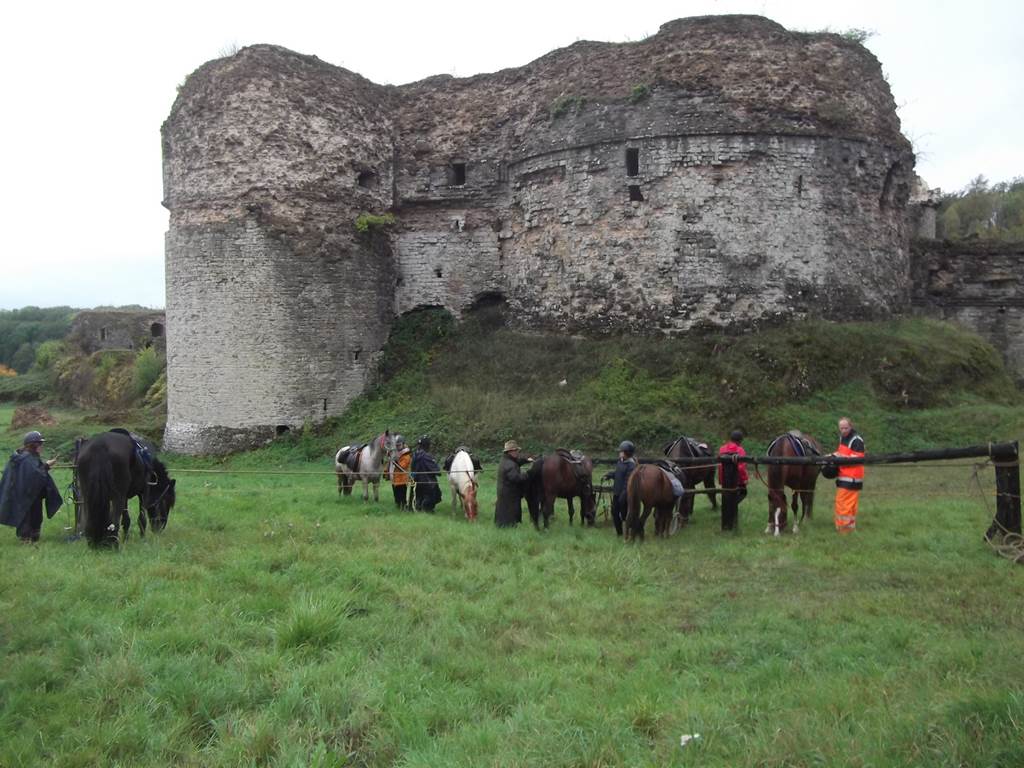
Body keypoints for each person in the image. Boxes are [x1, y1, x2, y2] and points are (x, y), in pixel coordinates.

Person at [0, 431, 63, 543]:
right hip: (25, 495)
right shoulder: (25, 458)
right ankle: (25, 538)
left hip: (33, 494)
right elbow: (35, 475)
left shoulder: (30, 457)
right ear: (32, 445)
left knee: (36, 515)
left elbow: (34, 473)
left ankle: (34, 535)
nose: (41, 446)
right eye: (39, 444)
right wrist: (47, 465)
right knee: (26, 516)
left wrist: (45, 466)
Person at [833, 417, 865, 533]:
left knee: (843, 503)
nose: (844, 430)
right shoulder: (843, 438)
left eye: (846, 428)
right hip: (844, 475)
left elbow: (858, 458)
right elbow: (841, 453)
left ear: (851, 426)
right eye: (841, 428)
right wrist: (832, 456)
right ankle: (848, 527)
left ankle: (844, 529)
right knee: (848, 504)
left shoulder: (857, 440)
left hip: (852, 477)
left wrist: (840, 458)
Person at [602, 440, 637, 536]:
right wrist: (609, 475)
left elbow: (628, 481)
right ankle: (619, 533)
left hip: (625, 495)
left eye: (621, 451)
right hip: (617, 493)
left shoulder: (631, 465)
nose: (619, 453)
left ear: (627, 453)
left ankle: (632, 531)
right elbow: (618, 474)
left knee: (625, 515)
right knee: (614, 513)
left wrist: (624, 494)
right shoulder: (620, 462)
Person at [495, 440, 532, 527]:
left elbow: (517, 461)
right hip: (509, 492)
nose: (517, 452)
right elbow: (515, 478)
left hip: (505, 490)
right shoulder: (509, 464)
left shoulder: (507, 460)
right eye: (515, 450)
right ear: (510, 452)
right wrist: (528, 474)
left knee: (503, 511)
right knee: (510, 511)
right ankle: (510, 526)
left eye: (517, 450)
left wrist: (526, 460)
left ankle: (504, 525)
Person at [717, 429, 748, 531]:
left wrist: (720, 479)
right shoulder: (740, 450)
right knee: (743, 493)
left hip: (725, 480)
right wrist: (744, 479)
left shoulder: (722, 449)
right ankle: (732, 517)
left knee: (726, 498)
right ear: (740, 440)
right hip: (736, 481)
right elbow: (742, 467)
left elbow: (720, 466)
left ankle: (726, 521)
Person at [411, 436, 442, 512]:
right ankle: (426, 509)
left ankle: (419, 507)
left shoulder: (415, 455)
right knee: (436, 495)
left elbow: (413, 468)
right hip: (428, 482)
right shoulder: (426, 456)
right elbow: (436, 470)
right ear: (427, 445)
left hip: (417, 481)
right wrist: (437, 470)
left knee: (419, 495)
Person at [388, 435, 412, 509]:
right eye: (396, 445)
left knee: (402, 496)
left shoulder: (406, 456)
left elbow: (402, 467)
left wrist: (395, 461)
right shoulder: (395, 454)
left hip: (402, 480)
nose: (397, 447)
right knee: (396, 496)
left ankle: (403, 507)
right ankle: (398, 506)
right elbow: (390, 464)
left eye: (399, 445)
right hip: (394, 479)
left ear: (403, 444)